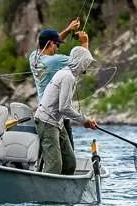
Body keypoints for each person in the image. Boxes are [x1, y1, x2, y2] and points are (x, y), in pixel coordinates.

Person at [34, 45, 99, 175]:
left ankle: (61, 190)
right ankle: (45, 191)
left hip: (57, 123)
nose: (87, 66)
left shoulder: (68, 74)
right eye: (86, 62)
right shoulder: (67, 76)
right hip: (47, 122)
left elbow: (64, 106)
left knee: (69, 164)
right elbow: (63, 107)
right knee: (54, 166)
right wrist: (84, 120)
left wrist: (84, 120)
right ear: (80, 62)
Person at [29, 18, 86, 144]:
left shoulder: (33, 57)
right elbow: (82, 64)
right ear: (50, 44)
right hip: (56, 113)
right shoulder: (56, 60)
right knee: (68, 154)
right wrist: (84, 42)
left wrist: (68, 30)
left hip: (43, 111)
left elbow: (49, 41)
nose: (57, 48)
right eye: (57, 44)